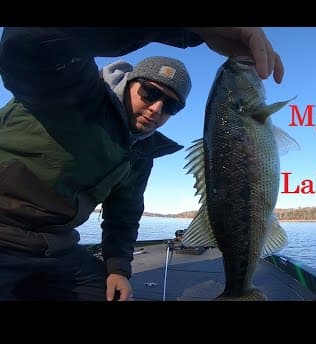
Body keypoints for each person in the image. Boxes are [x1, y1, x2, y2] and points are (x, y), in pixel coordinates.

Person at [0, 27, 284, 301]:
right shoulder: (70, 92)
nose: (157, 108)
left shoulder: (139, 152)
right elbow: (32, 37)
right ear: (129, 82)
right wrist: (190, 29)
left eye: (171, 106)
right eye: (150, 92)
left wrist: (118, 270)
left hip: (56, 247)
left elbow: (123, 215)